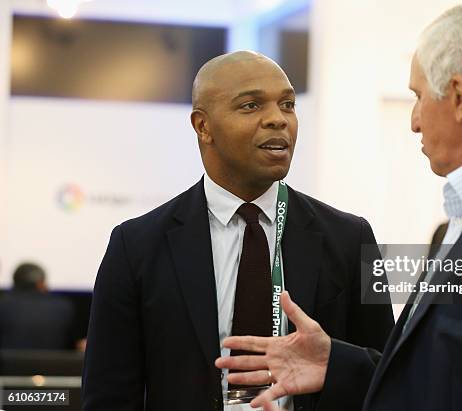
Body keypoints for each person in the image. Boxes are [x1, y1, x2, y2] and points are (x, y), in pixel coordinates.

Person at [216, 3, 462, 410]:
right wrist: (337, 365)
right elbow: (453, 374)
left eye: (418, 97)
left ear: (459, 97)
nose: (414, 121)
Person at [81, 51, 394, 411]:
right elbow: (109, 395)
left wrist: (336, 361)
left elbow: (388, 375)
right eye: (251, 106)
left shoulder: (351, 237)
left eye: (288, 104)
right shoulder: (135, 246)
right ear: (203, 126)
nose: (278, 119)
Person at [0, 262, 75, 350]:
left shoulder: (3, 304)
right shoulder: (63, 307)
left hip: (9, 363)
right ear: (40, 283)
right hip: (53, 363)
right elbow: (71, 345)